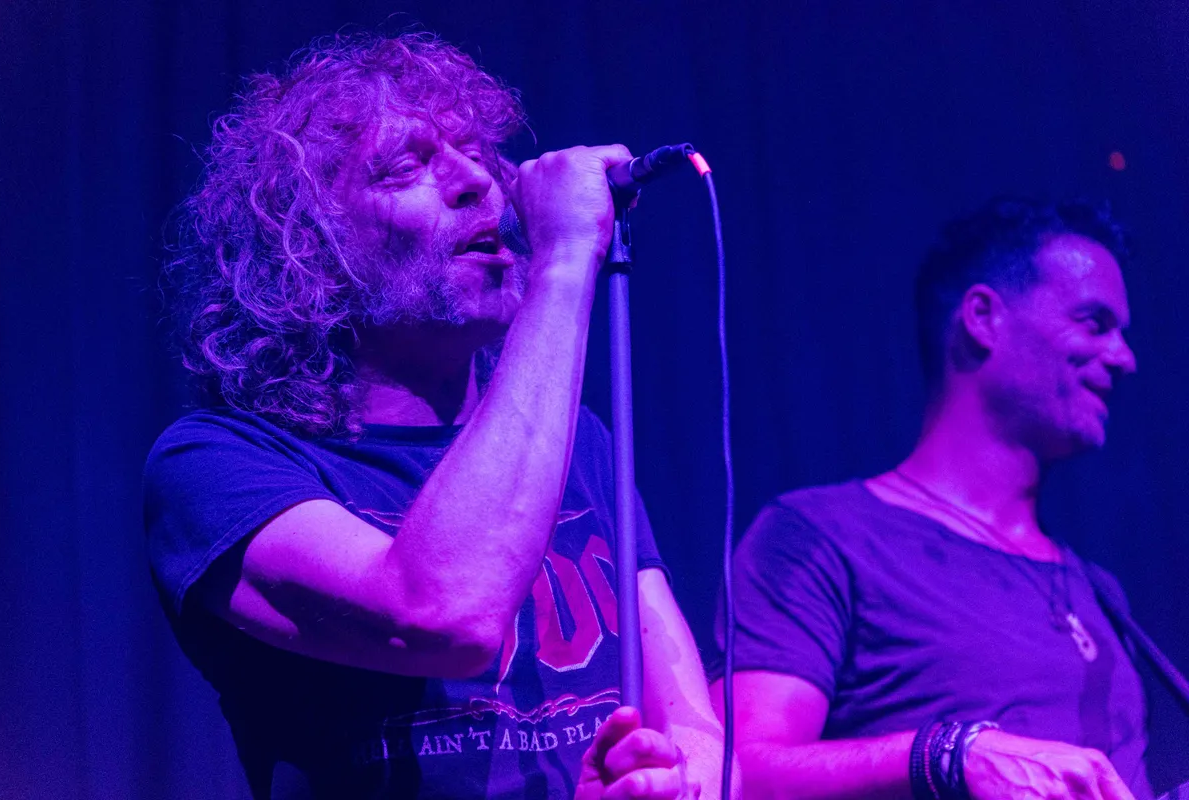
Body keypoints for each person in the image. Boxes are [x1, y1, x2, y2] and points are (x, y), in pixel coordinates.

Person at [145, 32, 723, 800]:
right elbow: (444, 615)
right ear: (310, 251)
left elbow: (693, 727)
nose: (477, 181)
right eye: (405, 167)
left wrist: (672, 782)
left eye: (476, 153)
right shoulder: (218, 464)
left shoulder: (578, 441)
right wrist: (561, 264)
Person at [712, 197, 1153, 800]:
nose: (1124, 358)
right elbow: (735, 773)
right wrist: (949, 755)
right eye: (1094, 322)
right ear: (983, 318)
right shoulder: (819, 536)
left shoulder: (1098, 589)